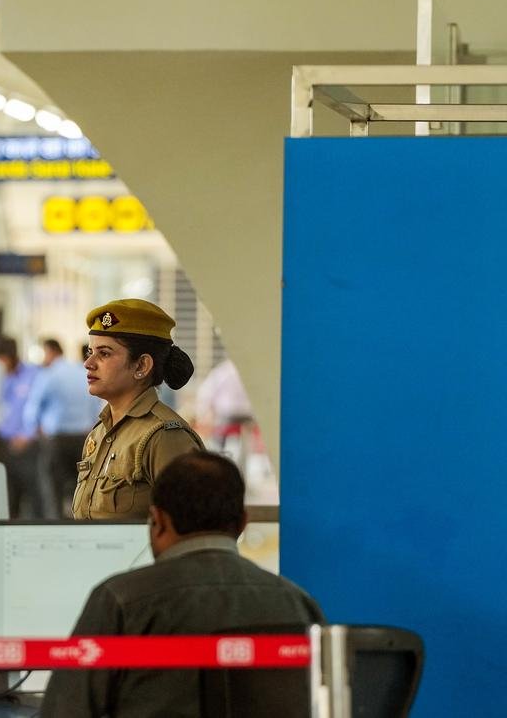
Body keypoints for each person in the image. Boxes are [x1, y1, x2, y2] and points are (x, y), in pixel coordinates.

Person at [40, 451, 325, 718]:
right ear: (242, 523)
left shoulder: (121, 602)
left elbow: (64, 709)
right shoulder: (298, 604)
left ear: (158, 521)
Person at [75, 299, 204, 520]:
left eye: (104, 353)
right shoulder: (99, 433)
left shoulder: (164, 436)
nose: (89, 363)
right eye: (90, 352)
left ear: (142, 366)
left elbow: (193, 527)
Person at [23, 338, 103, 517]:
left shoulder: (49, 374)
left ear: (50, 351)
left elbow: (32, 408)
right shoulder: (81, 372)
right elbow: (95, 405)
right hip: (83, 439)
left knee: (53, 491)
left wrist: (36, 429)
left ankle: (57, 532)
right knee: (82, 487)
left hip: (56, 440)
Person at [0, 339, 43, 517]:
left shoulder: (34, 374)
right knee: (7, 496)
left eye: (2, 360)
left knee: (33, 494)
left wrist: (27, 435)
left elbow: (40, 407)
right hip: (2, 444)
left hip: (26, 445)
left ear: (11, 357)